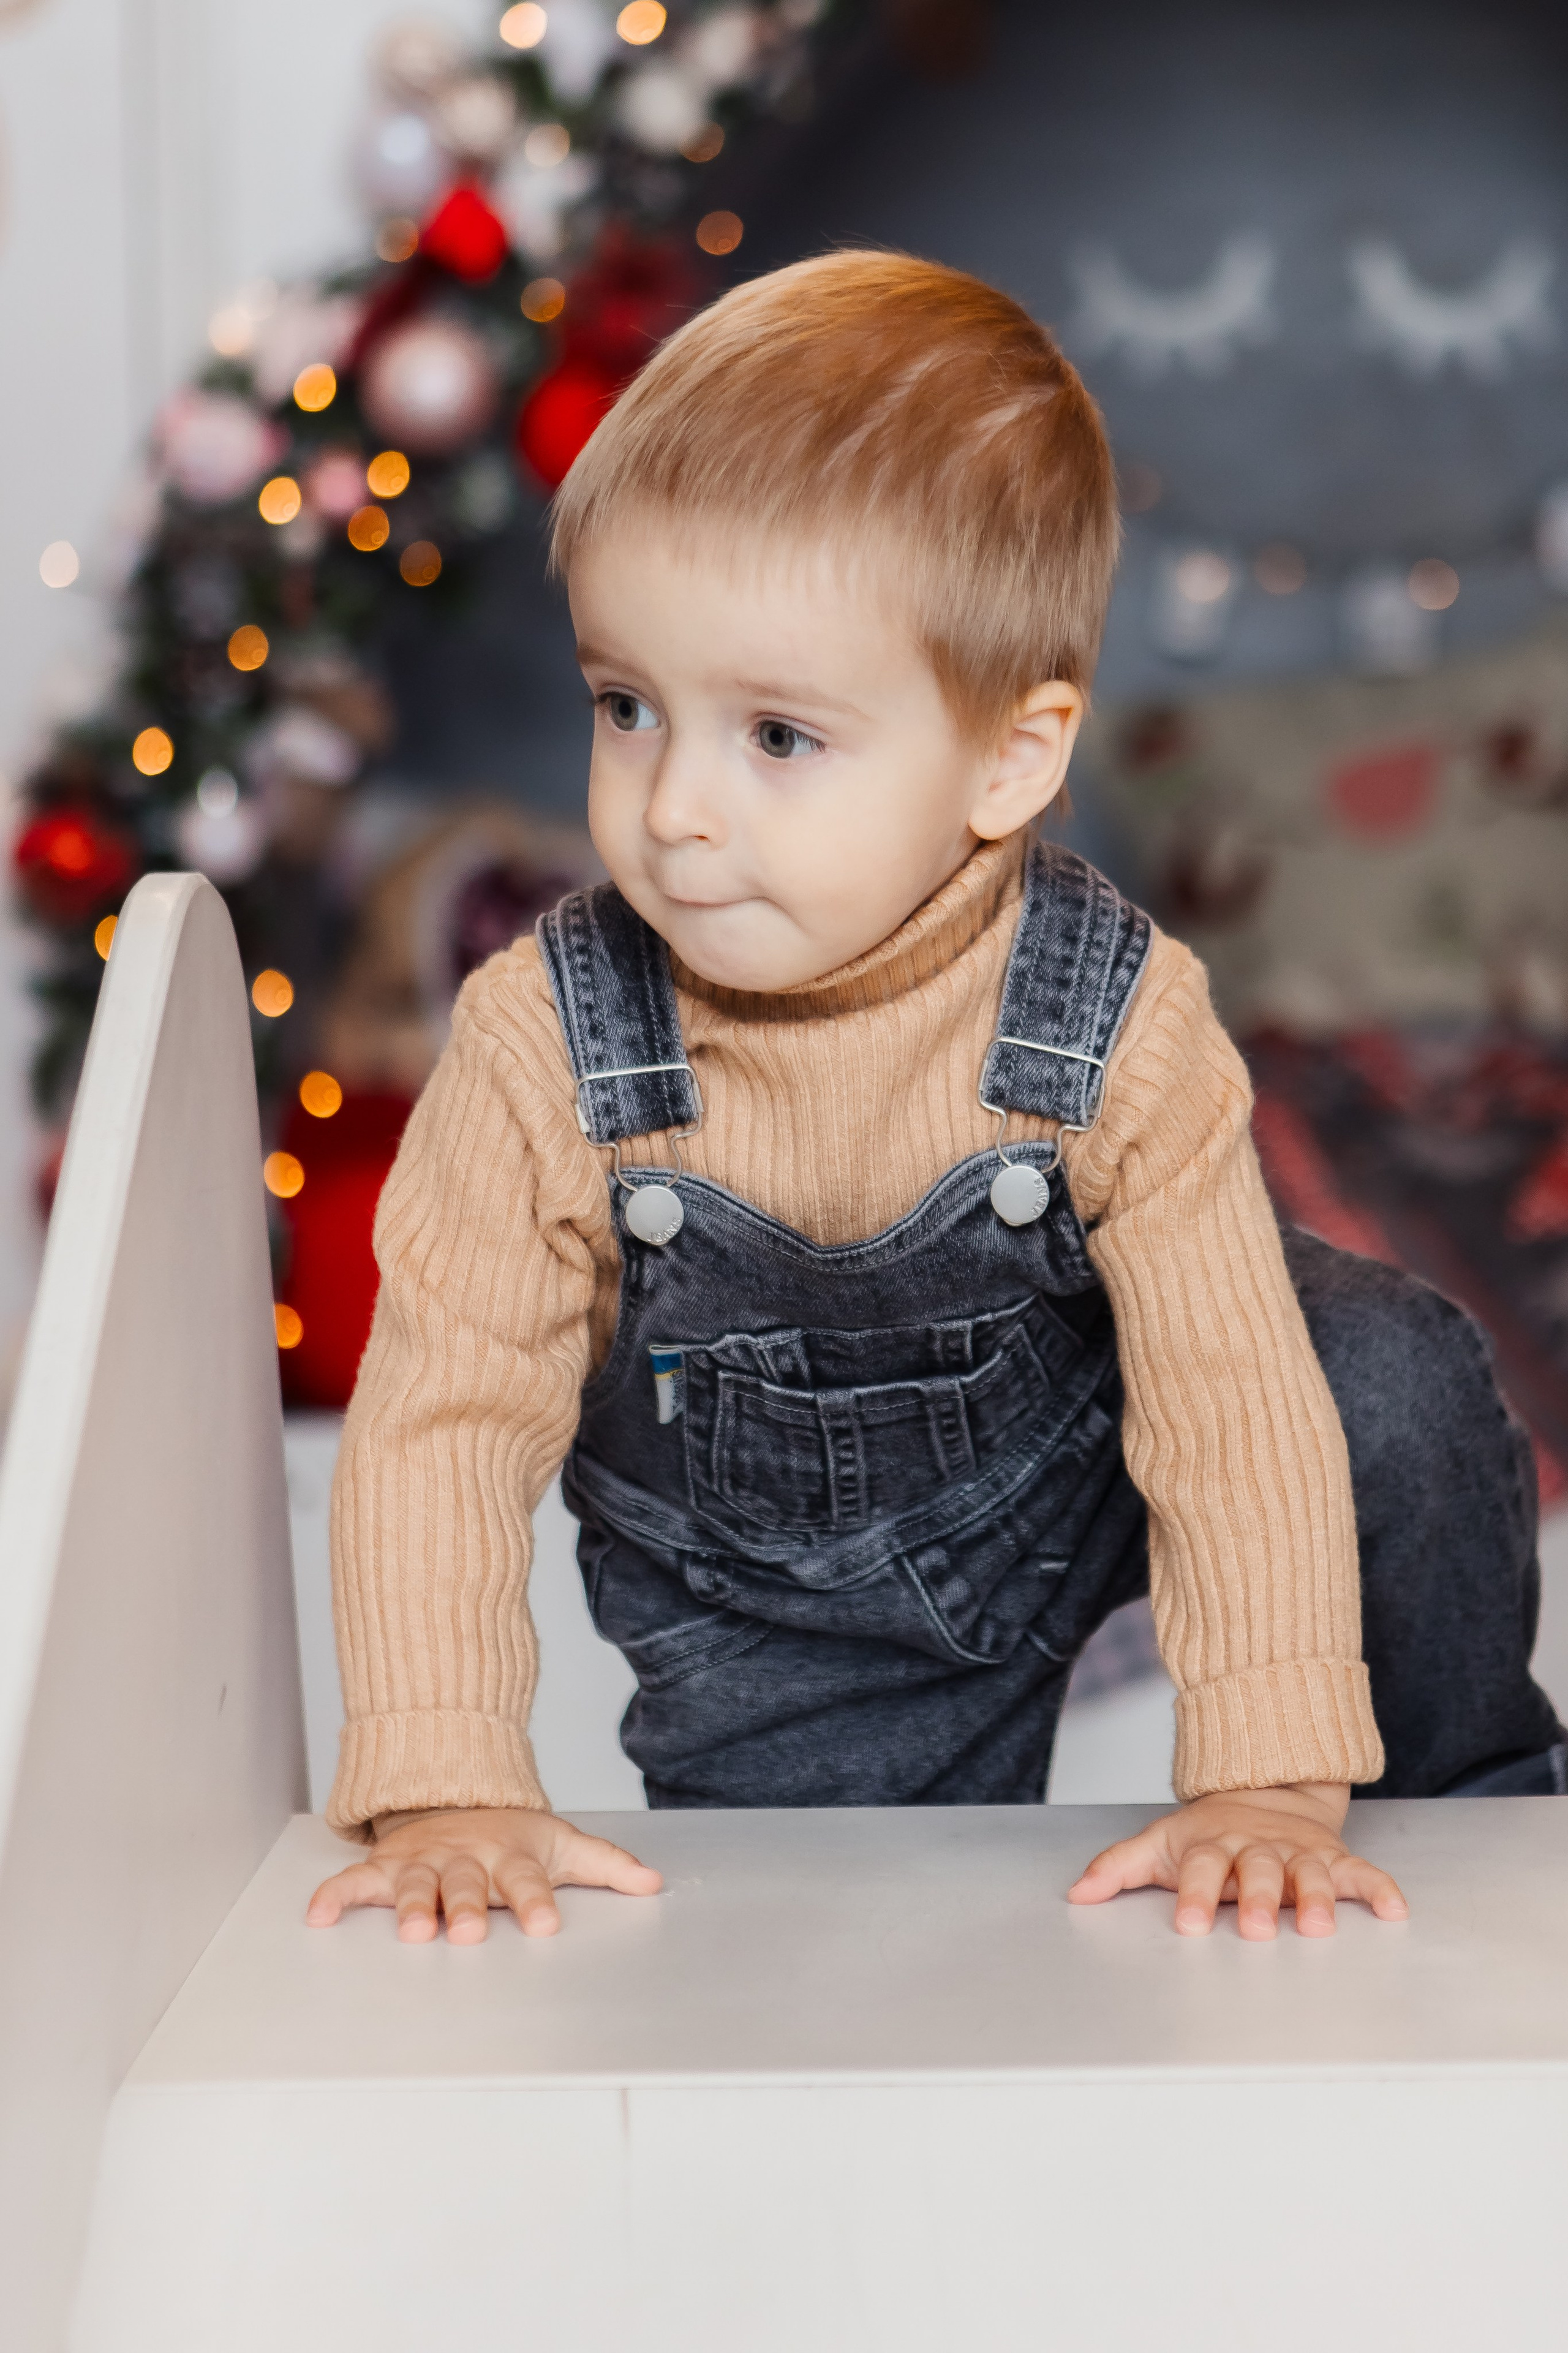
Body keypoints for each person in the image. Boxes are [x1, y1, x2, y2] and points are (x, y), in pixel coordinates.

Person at [307, 252, 1564, 1951]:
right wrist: (447, 1783)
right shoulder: (547, 1035)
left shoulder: (1117, 1018)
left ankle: (1475, 1821)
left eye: (778, 736)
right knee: (848, 1974)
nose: (675, 806)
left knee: (1378, 1363)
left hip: (1073, 1465)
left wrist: (1265, 1777)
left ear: (1012, 758)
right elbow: (443, 1421)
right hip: (774, 1587)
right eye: (628, 708)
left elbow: (1224, 1388)